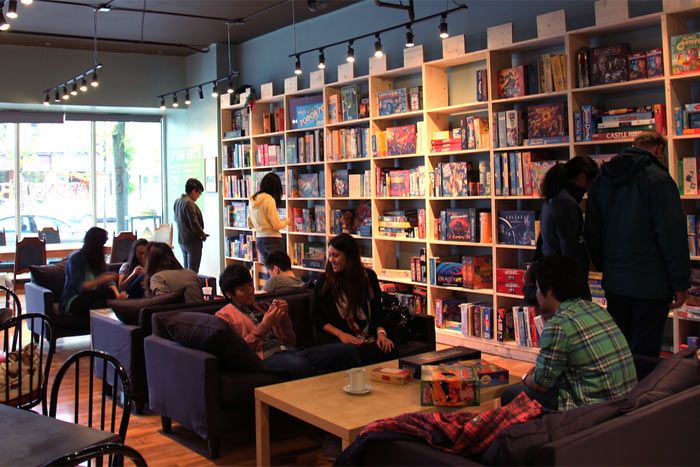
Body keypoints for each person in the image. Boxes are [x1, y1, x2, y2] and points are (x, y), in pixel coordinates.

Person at [585, 132, 691, 357]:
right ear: (659, 150)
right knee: (645, 352)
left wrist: (605, 265)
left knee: (619, 348)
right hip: (651, 283)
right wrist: (680, 283)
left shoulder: (603, 179)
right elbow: (672, 235)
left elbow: (592, 230)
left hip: (615, 280)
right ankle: (640, 392)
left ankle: (621, 391)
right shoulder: (658, 180)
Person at [501, 256, 637, 411]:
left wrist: (525, 378)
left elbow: (541, 384)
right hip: (625, 403)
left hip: (594, 411)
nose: (537, 294)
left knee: (511, 394)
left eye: (538, 288)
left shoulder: (558, 325)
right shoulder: (595, 308)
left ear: (549, 290)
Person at [215, 264, 360, 380]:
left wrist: (283, 318)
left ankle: (353, 396)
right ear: (229, 294)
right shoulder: (224, 316)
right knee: (300, 365)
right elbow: (239, 351)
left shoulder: (264, 306)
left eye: (250, 286)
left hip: (289, 351)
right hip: (264, 358)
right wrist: (265, 325)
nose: (250, 291)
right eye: (242, 289)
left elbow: (290, 341)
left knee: (346, 350)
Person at [310, 234, 397, 365]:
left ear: (349, 257)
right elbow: (315, 316)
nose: (331, 260)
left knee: (389, 348)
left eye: (336, 255)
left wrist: (381, 334)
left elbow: (377, 308)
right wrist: (341, 335)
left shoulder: (368, 277)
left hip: (366, 335)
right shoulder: (325, 281)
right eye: (330, 255)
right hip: (336, 338)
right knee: (357, 352)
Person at [539, 156, 599, 299]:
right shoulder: (565, 203)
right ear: (582, 177)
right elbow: (569, 247)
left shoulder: (554, 196)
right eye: (592, 184)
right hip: (565, 280)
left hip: (556, 275)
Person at [60, 227, 126, 318]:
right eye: (102, 244)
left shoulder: (97, 259)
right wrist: (101, 279)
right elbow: (80, 286)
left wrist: (118, 296)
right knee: (105, 295)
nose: (104, 247)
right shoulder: (75, 258)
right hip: (74, 299)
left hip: (93, 297)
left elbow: (108, 282)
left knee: (102, 300)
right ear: (96, 244)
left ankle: (103, 329)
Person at [248, 172, 287, 262]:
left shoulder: (253, 199)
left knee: (270, 270)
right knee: (279, 269)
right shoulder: (269, 200)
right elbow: (276, 225)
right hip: (273, 239)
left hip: (260, 239)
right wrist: (286, 221)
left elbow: (250, 222)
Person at [173, 178, 208, 273]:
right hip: (192, 241)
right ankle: (192, 288)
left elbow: (176, 219)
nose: (199, 196)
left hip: (182, 240)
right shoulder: (189, 203)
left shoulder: (177, 201)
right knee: (193, 272)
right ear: (193, 191)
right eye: (199, 193)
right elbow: (194, 223)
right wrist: (202, 234)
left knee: (186, 270)